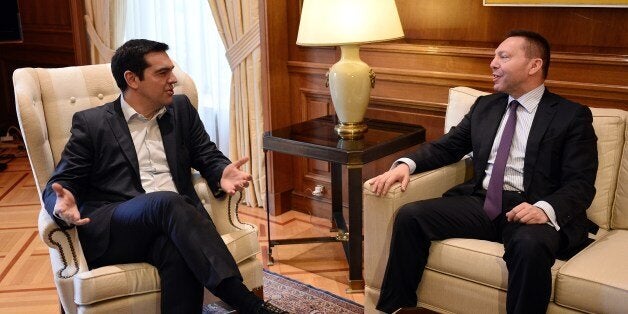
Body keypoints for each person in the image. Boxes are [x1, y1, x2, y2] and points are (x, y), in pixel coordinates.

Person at [43, 39, 287, 314]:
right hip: (117, 225)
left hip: (173, 223)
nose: (173, 79)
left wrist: (220, 172)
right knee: (167, 201)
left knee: (176, 249)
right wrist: (62, 202)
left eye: (171, 70)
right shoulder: (92, 123)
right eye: (162, 73)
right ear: (132, 79)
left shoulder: (180, 110)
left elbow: (206, 154)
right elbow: (63, 181)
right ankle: (248, 303)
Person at [367, 30, 598, 314]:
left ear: (534, 66)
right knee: (411, 216)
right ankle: (397, 308)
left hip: (531, 208)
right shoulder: (485, 106)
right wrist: (406, 164)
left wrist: (544, 209)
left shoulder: (571, 115)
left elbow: (581, 183)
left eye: (503, 56)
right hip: (483, 202)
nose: (492, 63)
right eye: (494, 56)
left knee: (529, 247)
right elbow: (447, 147)